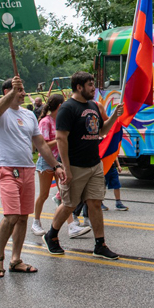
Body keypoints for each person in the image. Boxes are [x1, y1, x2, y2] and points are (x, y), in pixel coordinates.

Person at [0, 77, 65, 278]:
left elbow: (40, 144)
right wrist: (12, 91)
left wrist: (56, 165)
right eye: (18, 90)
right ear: (7, 92)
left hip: (27, 169)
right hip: (5, 169)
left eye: (22, 90)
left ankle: (16, 259)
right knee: (11, 216)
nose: (22, 93)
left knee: (22, 218)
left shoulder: (29, 115)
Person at [43, 71, 124, 260]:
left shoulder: (93, 106)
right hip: (75, 165)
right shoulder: (67, 108)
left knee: (95, 203)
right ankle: (51, 236)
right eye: (89, 84)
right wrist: (67, 168)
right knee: (69, 204)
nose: (93, 87)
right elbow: (61, 138)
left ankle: (100, 244)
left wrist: (113, 117)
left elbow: (100, 131)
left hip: (94, 164)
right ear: (79, 87)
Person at [31, 94, 91, 239]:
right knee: (44, 194)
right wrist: (61, 139)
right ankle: (36, 222)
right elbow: (42, 145)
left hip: (60, 161)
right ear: (59, 106)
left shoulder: (62, 120)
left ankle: (71, 227)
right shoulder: (45, 122)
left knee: (65, 196)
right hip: (46, 161)